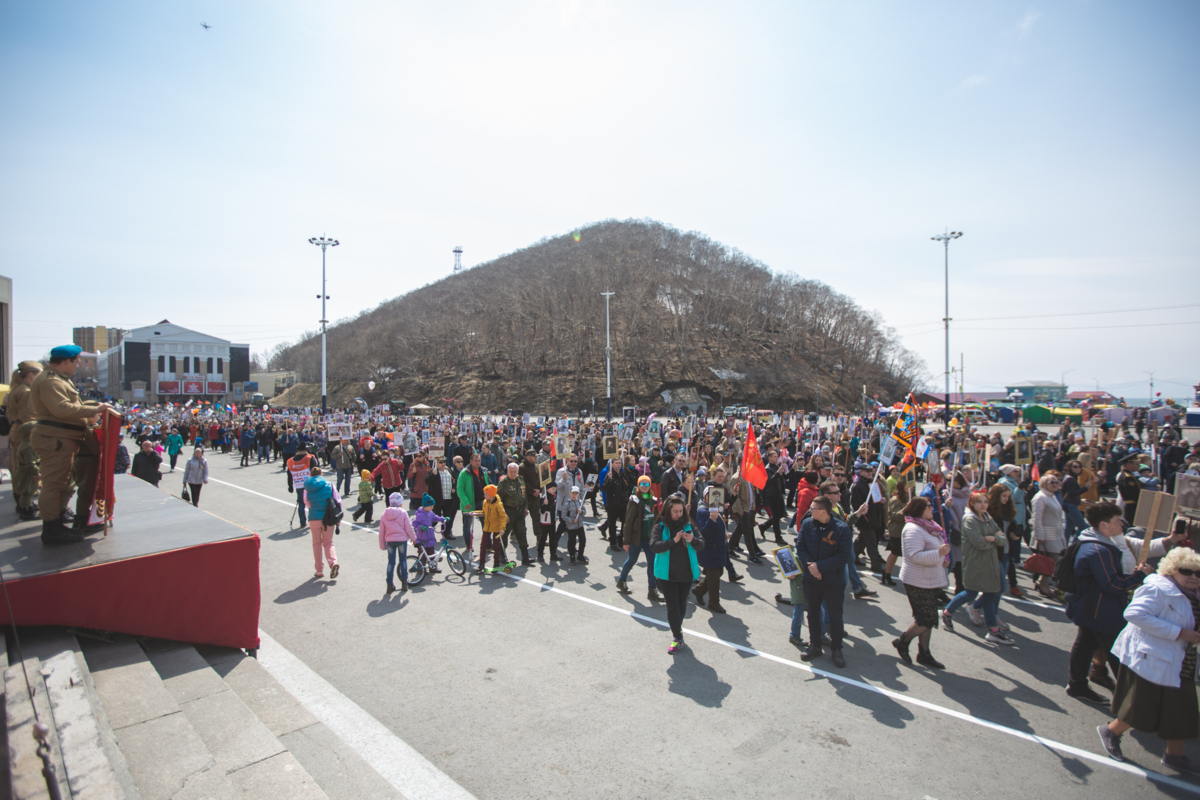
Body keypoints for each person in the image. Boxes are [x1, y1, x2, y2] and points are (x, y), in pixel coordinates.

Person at [1098, 546, 1200, 774]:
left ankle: (1175, 755)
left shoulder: (1193, 593)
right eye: (1187, 571)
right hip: (1152, 656)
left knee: (1181, 709)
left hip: (1182, 659)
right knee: (1142, 707)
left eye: (1198, 572)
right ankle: (1110, 731)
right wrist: (1179, 632)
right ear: (1173, 570)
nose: (1193, 577)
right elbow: (1134, 614)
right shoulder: (1158, 589)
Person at [1064, 500, 1155, 703]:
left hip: (1091, 607)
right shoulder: (1099, 550)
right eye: (1117, 521)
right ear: (1104, 524)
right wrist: (1139, 576)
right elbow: (1111, 585)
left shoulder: (1092, 541)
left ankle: (1077, 685)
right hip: (1100, 610)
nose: (1122, 524)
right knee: (1118, 652)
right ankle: (1130, 699)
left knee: (1084, 645)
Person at [29, 344, 107, 544]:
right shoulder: (50, 381)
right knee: (54, 484)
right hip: (54, 439)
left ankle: (55, 525)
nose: (77, 365)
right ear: (66, 362)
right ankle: (51, 530)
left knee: (59, 483)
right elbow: (62, 409)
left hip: (60, 439)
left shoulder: (58, 380)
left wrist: (90, 408)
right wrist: (93, 410)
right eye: (76, 362)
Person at [941, 491, 1014, 645]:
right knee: (970, 593)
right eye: (979, 501)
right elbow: (979, 543)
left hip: (990, 561)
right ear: (972, 503)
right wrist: (994, 540)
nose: (983, 504)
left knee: (990, 594)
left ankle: (993, 631)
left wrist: (992, 538)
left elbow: (1002, 539)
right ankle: (947, 613)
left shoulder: (987, 517)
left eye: (985, 501)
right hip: (975, 562)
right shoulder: (969, 520)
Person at [795, 495, 853, 668]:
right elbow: (801, 547)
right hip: (811, 579)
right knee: (812, 613)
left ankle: (836, 648)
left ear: (824, 511)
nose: (810, 511)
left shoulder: (842, 529)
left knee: (835, 616)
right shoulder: (807, 524)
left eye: (813, 508)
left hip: (833, 581)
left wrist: (820, 567)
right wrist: (812, 568)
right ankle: (815, 645)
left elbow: (843, 556)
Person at [894, 496, 950, 669]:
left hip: (929, 578)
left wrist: (942, 559)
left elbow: (932, 549)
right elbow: (914, 556)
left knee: (927, 618)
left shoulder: (928, 527)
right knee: (927, 619)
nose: (932, 509)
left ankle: (924, 653)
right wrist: (939, 554)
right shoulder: (913, 529)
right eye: (928, 506)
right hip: (918, 580)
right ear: (919, 509)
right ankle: (903, 641)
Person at [651, 496, 705, 654]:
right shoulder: (660, 526)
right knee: (672, 607)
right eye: (675, 511)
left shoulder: (689, 525)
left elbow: (702, 544)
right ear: (668, 510)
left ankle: (677, 630)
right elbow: (654, 546)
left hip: (686, 574)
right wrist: (673, 541)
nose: (678, 514)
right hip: (667, 575)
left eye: (681, 511)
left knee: (682, 605)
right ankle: (677, 637)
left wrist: (693, 539)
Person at [6, 361, 42, 521]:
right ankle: (25, 504)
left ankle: (22, 501)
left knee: (18, 467)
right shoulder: (27, 392)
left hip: (16, 430)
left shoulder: (17, 389)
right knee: (27, 470)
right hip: (25, 433)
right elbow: (29, 418)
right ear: (30, 375)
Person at [618, 475, 661, 601]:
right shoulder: (634, 500)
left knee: (652, 563)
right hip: (637, 538)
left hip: (649, 538)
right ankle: (622, 580)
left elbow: (657, 518)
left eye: (646, 484)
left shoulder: (652, 500)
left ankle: (652, 590)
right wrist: (625, 541)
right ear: (638, 485)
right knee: (632, 560)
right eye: (641, 484)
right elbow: (628, 521)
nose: (644, 486)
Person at [692, 487, 729, 613]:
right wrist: (712, 519)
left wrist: (724, 533)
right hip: (709, 549)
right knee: (714, 576)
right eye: (710, 495)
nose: (714, 498)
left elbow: (721, 525)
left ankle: (699, 590)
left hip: (718, 547)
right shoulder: (703, 511)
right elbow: (704, 532)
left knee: (719, 572)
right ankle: (714, 602)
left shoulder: (716, 509)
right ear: (705, 496)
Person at [1031, 473, 1067, 598]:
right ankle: (1042, 583)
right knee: (1051, 560)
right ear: (1044, 483)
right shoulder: (1040, 497)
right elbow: (1036, 518)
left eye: (1057, 482)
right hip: (1047, 534)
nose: (1055, 484)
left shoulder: (1051, 496)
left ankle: (1042, 581)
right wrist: (1040, 536)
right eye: (1052, 482)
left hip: (1055, 533)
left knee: (1052, 560)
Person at [303, 465, 339, 580]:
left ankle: (319, 570)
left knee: (316, 543)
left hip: (314, 517)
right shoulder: (330, 485)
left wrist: (313, 507)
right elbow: (337, 501)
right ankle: (333, 563)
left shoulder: (307, 487)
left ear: (311, 475)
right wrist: (338, 519)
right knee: (328, 543)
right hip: (328, 517)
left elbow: (306, 501)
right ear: (321, 474)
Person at [378, 493, 416, 593]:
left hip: (390, 541)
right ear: (399, 503)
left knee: (391, 562)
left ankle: (389, 584)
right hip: (402, 540)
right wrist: (414, 538)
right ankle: (404, 582)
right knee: (403, 560)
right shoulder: (403, 513)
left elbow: (381, 531)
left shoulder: (384, 514)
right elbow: (408, 527)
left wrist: (382, 544)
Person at [497, 462, 534, 566]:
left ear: (518, 471)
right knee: (504, 535)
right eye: (511, 471)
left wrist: (526, 507)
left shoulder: (521, 479)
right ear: (507, 471)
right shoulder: (503, 482)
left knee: (522, 533)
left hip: (519, 512)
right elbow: (499, 500)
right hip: (508, 512)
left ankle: (525, 558)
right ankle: (502, 556)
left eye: (515, 472)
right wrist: (504, 514)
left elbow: (524, 495)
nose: (513, 473)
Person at [457, 452, 490, 554]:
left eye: (479, 460)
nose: (477, 463)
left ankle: (488, 545)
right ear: (470, 461)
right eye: (475, 461)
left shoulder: (483, 471)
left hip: (482, 502)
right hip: (469, 504)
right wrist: (465, 502)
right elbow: (460, 489)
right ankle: (469, 546)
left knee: (486, 524)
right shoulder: (464, 473)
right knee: (467, 526)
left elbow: (489, 484)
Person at [881, 479, 908, 586]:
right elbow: (895, 516)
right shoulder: (896, 500)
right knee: (895, 552)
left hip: (903, 529)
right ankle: (887, 574)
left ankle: (887, 573)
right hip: (896, 530)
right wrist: (907, 508)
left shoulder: (907, 497)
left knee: (897, 553)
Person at [478, 483, 509, 573]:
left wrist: (502, 528)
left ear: (491, 495)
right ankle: (481, 564)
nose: (484, 495)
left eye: (486, 494)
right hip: (487, 527)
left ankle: (496, 563)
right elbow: (484, 512)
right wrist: (475, 512)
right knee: (483, 545)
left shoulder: (498, 504)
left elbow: (503, 516)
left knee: (496, 546)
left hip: (496, 527)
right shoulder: (485, 502)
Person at [286, 443, 317, 527]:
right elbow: (315, 471)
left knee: (301, 503)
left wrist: (290, 485)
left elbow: (289, 474)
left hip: (298, 485)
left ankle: (302, 522)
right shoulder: (309, 458)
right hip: (310, 484)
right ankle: (312, 520)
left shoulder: (290, 461)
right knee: (311, 503)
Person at [559, 485, 588, 566]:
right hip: (571, 527)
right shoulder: (567, 504)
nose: (574, 495)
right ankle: (572, 556)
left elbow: (585, 512)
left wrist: (581, 512)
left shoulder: (580, 502)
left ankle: (580, 555)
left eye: (576, 493)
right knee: (572, 542)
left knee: (583, 540)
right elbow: (563, 516)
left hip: (580, 525)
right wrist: (572, 520)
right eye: (573, 493)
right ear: (570, 493)